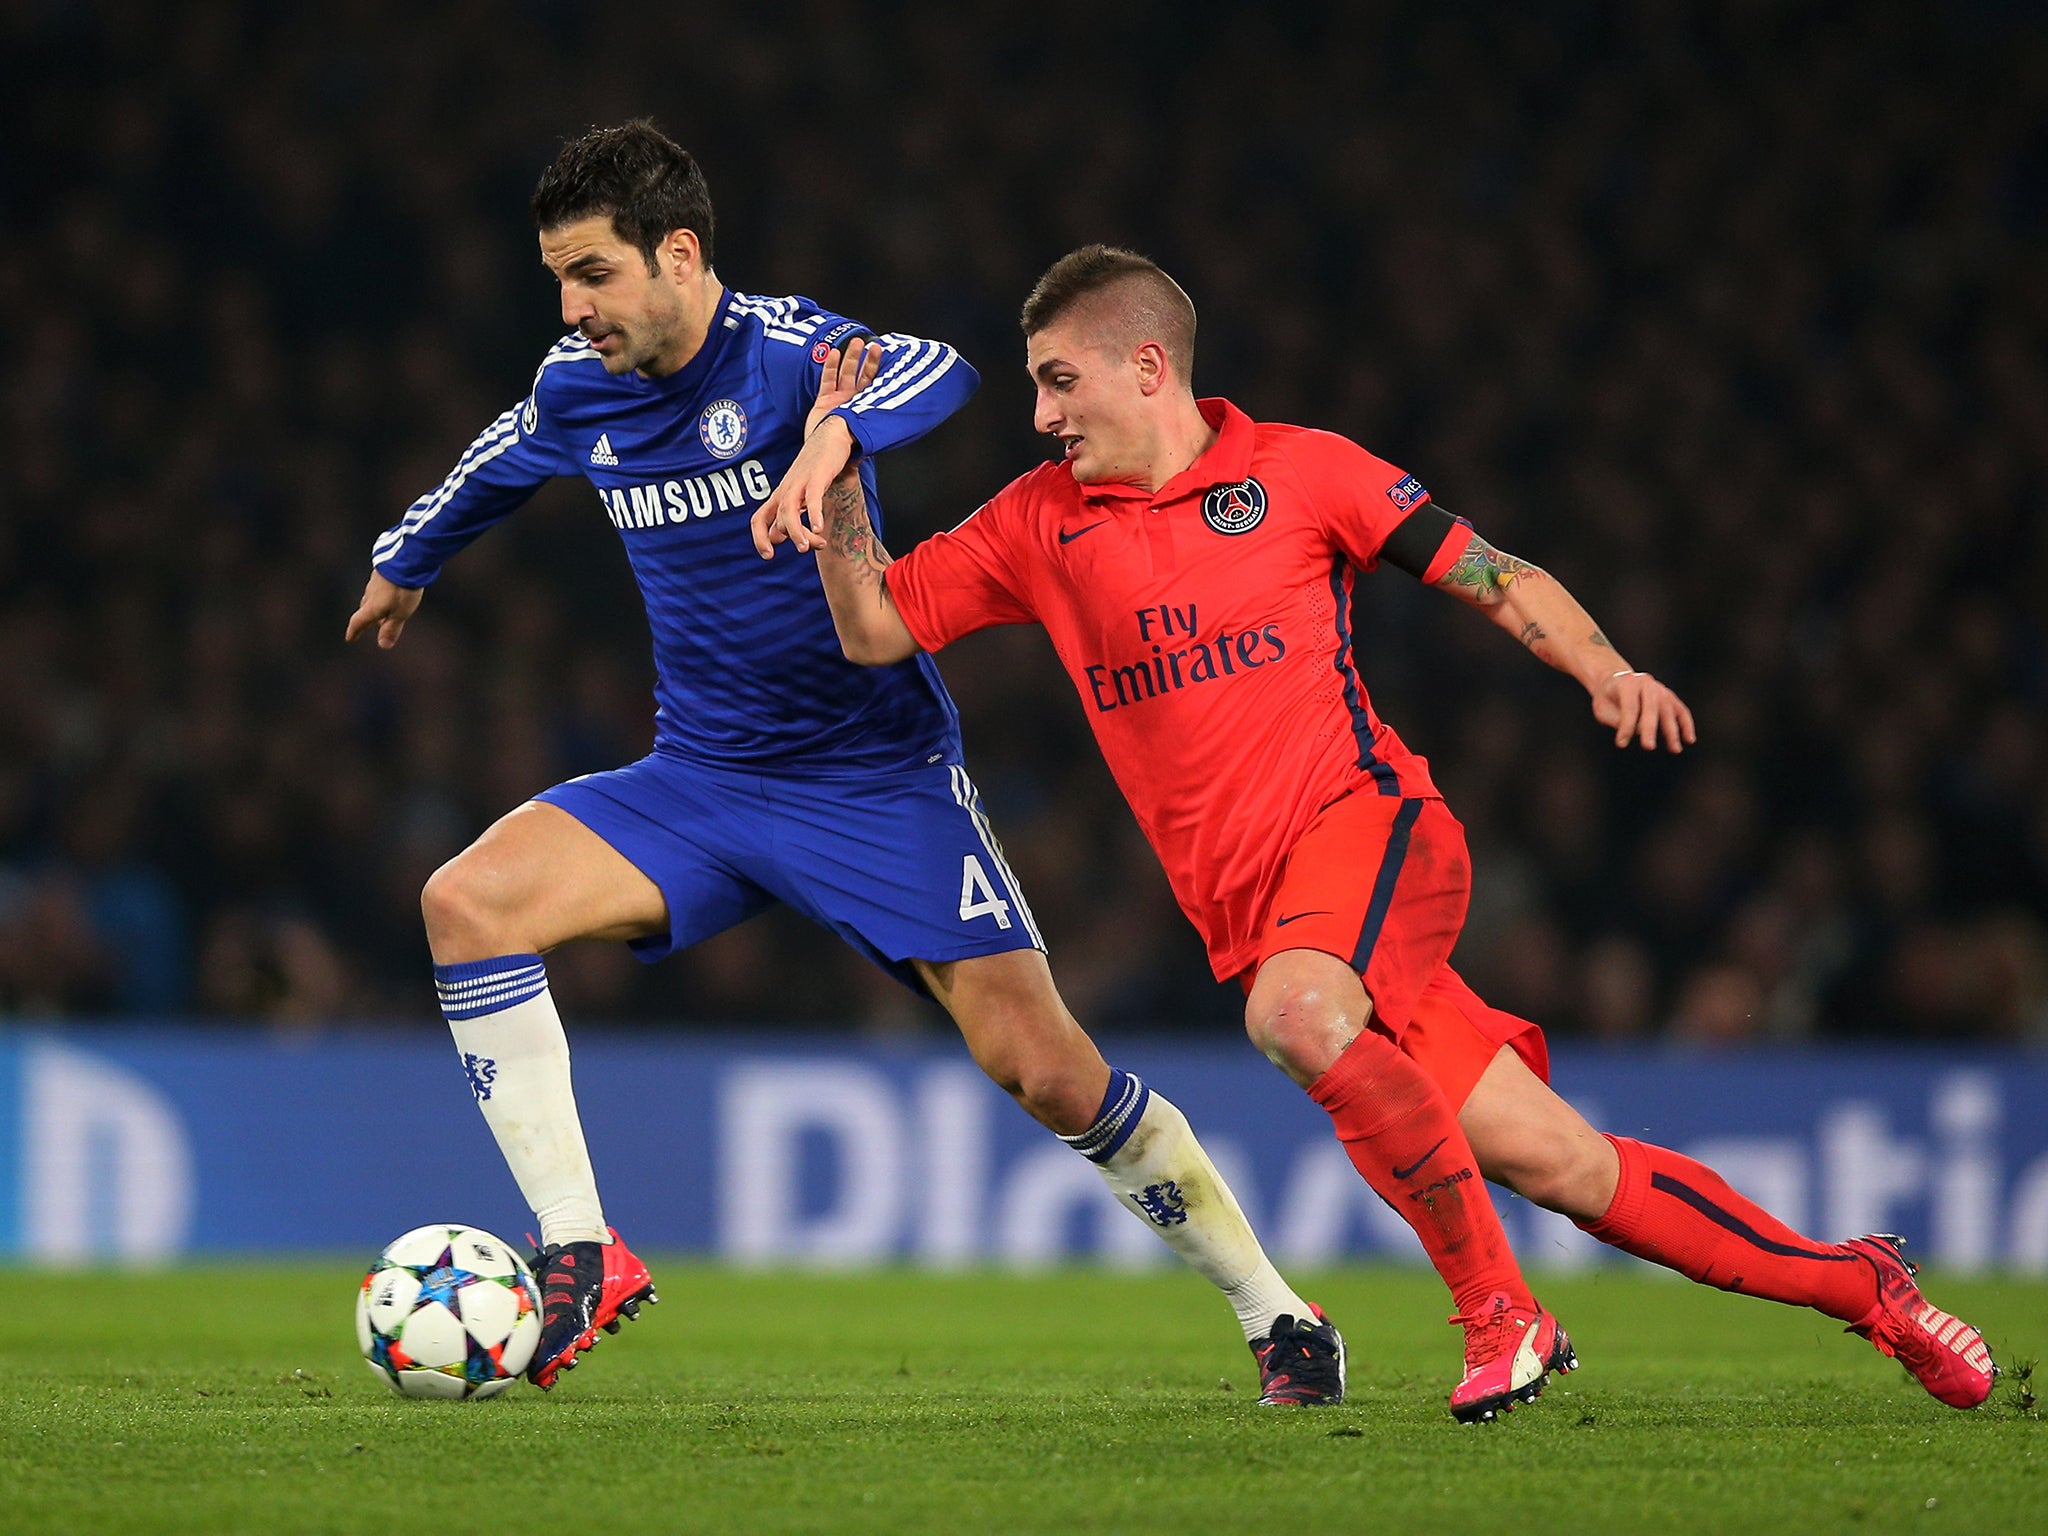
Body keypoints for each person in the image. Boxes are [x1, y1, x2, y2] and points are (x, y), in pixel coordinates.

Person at [764, 244, 1999, 1415]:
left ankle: (1500, 1314)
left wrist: (1603, 669)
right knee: (1563, 1166)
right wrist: (836, 468)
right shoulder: (1038, 521)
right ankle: (1864, 1287)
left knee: (1293, 1018)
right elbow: (873, 629)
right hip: (1262, 915)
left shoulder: (1301, 473)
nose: (1040, 414)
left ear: (1146, 367)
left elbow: (1494, 570)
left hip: (1371, 831)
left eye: (1057, 380)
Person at [345, 126, 1339, 1404]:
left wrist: (827, 437)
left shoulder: (788, 350)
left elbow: (937, 367)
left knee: (1045, 1070)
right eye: (558, 278)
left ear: (679, 253)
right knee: (463, 903)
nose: (572, 306)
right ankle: (581, 1255)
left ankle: (1276, 1315)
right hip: (699, 779)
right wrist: (404, 561)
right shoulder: (574, 384)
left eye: (592, 272)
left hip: (874, 779)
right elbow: (493, 464)